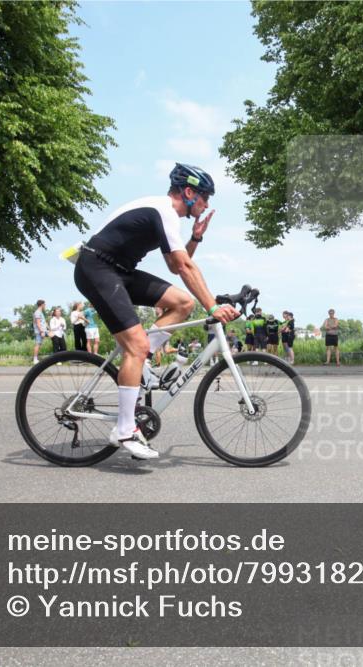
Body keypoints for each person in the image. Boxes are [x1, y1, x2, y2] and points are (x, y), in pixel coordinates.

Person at [72, 163, 238, 460]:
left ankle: (143, 363)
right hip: (96, 268)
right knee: (135, 345)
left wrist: (195, 238)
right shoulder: (163, 210)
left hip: (120, 271)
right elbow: (184, 267)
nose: (206, 204)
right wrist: (213, 306)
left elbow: (175, 265)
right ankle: (124, 430)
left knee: (183, 303)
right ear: (189, 193)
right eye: (205, 197)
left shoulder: (168, 217)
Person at [32, 299, 48, 364]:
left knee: (54, 336)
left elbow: (43, 322)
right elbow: (38, 323)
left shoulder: (40, 312)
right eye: (44, 304)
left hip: (43, 330)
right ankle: (35, 359)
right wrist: (41, 332)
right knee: (37, 344)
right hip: (40, 331)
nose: (45, 306)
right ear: (42, 305)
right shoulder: (38, 312)